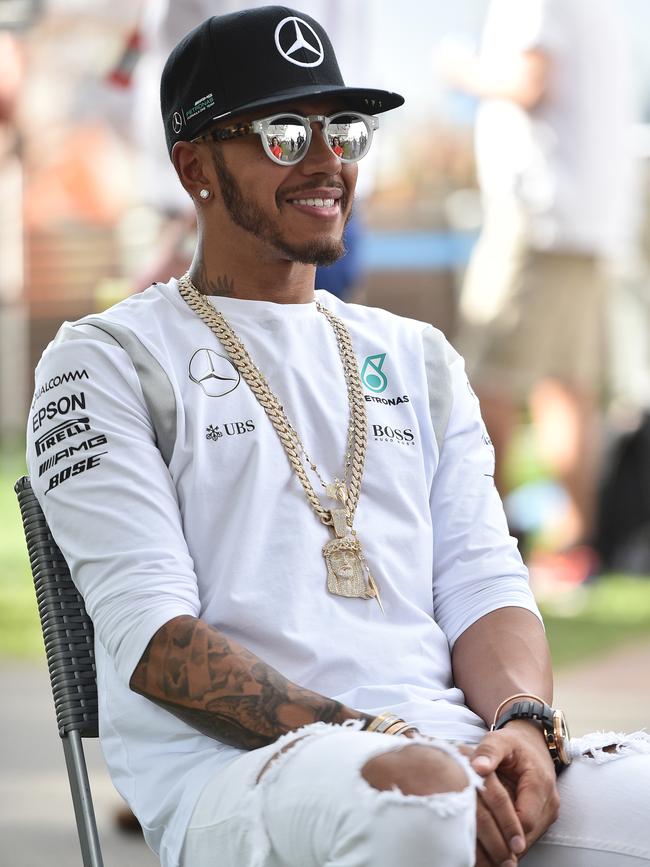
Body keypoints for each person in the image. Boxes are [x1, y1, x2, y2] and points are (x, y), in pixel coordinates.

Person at [26, 7, 649, 867]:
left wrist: (524, 730)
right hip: (234, 775)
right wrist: (386, 738)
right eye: (284, 134)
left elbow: (484, 581)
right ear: (195, 164)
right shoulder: (110, 361)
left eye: (345, 132)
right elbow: (156, 644)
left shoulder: (417, 357)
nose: (327, 163)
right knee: (419, 800)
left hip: (442, 751)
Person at [446, 0, 638, 568]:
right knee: (568, 389)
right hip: (589, 224)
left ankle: (483, 548)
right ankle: (573, 552)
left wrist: (460, 71)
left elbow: (530, 80)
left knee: (481, 384)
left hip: (537, 217)